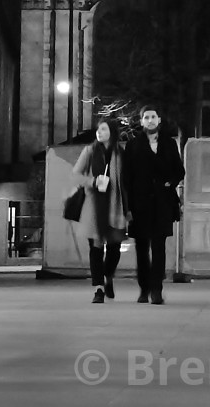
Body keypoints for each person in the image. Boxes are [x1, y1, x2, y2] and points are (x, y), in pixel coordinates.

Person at [121, 105, 185, 304]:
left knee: (159, 247)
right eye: (146, 117)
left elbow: (179, 171)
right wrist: (128, 207)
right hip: (139, 204)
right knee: (141, 248)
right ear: (141, 121)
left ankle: (157, 288)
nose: (150, 120)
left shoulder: (169, 144)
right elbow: (126, 177)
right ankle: (144, 288)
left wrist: (169, 183)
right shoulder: (133, 146)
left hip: (162, 203)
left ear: (159, 120)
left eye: (153, 117)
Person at [69, 118, 128, 302]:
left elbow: (127, 181)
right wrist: (93, 182)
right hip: (93, 205)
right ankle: (99, 288)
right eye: (98, 129)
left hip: (115, 204)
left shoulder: (120, 153)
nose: (99, 132)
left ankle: (108, 276)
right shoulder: (90, 150)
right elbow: (76, 175)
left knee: (114, 247)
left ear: (112, 131)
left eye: (103, 129)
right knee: (95, 248)